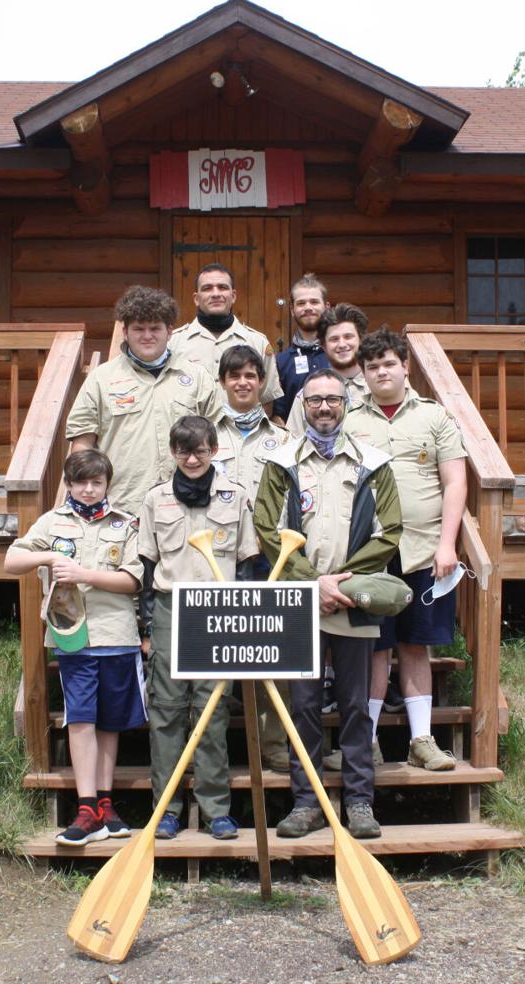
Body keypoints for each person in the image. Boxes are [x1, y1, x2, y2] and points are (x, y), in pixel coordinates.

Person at [252, 369, 403, 840]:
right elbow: (267, 531)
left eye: (332, 400)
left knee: (356, 704)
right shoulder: (281, 463)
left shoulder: (373, 463)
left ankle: (360, 801)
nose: (323, 407)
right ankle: (306, 801)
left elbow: (390, 531)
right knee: (304, 705)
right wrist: (312, 584)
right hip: (301, 599)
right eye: (314, 400)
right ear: (301, 405)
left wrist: (341, 582)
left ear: (345, 405)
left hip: (353, 597)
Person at [4, 449, 144, 846]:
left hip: (116, 635)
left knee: (111, 722)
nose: (87, 489)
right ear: (68, 484)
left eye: (96, 482)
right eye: (80, 482)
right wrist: (47, 556)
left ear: (107, 485)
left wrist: (85, 574)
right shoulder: (52, 523)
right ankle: (85, 808)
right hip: (73, 636)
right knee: (81, 718)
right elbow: (11, 561)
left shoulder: (125, 525)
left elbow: (133, 581)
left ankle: (104, 803)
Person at [343, 328, 467, 771]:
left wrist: (447, 544)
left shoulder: (434, 418)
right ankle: (367, 741)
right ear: (363, 373)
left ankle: (421, 740)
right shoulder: (351, 420)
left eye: (388, 364)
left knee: (416, 644)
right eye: (372, 366)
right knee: (374, 645)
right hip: (371, 553)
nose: (380, 372)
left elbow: (455, 482)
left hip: (424, 549)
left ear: (405, 366)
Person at [139, 415, 262, 841]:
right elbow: (147, 567)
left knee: (212, 711)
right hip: (172, 609)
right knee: (168, 712)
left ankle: (217, 809)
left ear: (214, 451)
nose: (192, 459)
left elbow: (247, 564)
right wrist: (146, 629)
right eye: (184, 451)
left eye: (201, 450)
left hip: (219, 610)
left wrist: (242, 618)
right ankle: (166, 808)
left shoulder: (235, 496)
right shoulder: (156, 500)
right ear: (173, 453)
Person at [211, 343, 294, 773]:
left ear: (262, 383)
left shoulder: (284, 441)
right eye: (234, 375)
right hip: (218, 558)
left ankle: (274, 745)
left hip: (267, 558)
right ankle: (212, 751)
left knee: (272, 654)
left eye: (250, 375)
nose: (242, 382)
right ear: (222, 382)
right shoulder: (203, 436)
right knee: (215, 655)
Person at [66, 285, 221, 513]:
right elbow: (82, 444)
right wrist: (86, 495)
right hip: (123, 506)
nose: (147, 336)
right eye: (139, 329)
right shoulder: (101, 379)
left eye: (155, 328)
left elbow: (221, 437)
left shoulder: (197, 377)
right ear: (125, 332)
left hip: (189, 504)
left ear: (169, 332)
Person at [168, 263, 282, 406]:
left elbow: (267, 400)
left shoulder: (257, 343)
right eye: (207, 288)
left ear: (233, 295)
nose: (216, 294)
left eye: (222, 287)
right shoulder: (173, 343)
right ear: (196, 298)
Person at [283, 302, 369, 434]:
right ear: (323, 346)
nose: (342, 344)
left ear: (361, 340)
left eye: (348, 337)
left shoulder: (379, 388)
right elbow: (293, 447)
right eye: (334, 339)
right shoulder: (306, 395)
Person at [270, 273, 329, 425]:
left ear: (327, 307)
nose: (308, 307)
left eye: (314, 302)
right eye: (301, 303)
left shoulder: (341, 355)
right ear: (292, 309)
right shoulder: (280, 362)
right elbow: (278, 415)